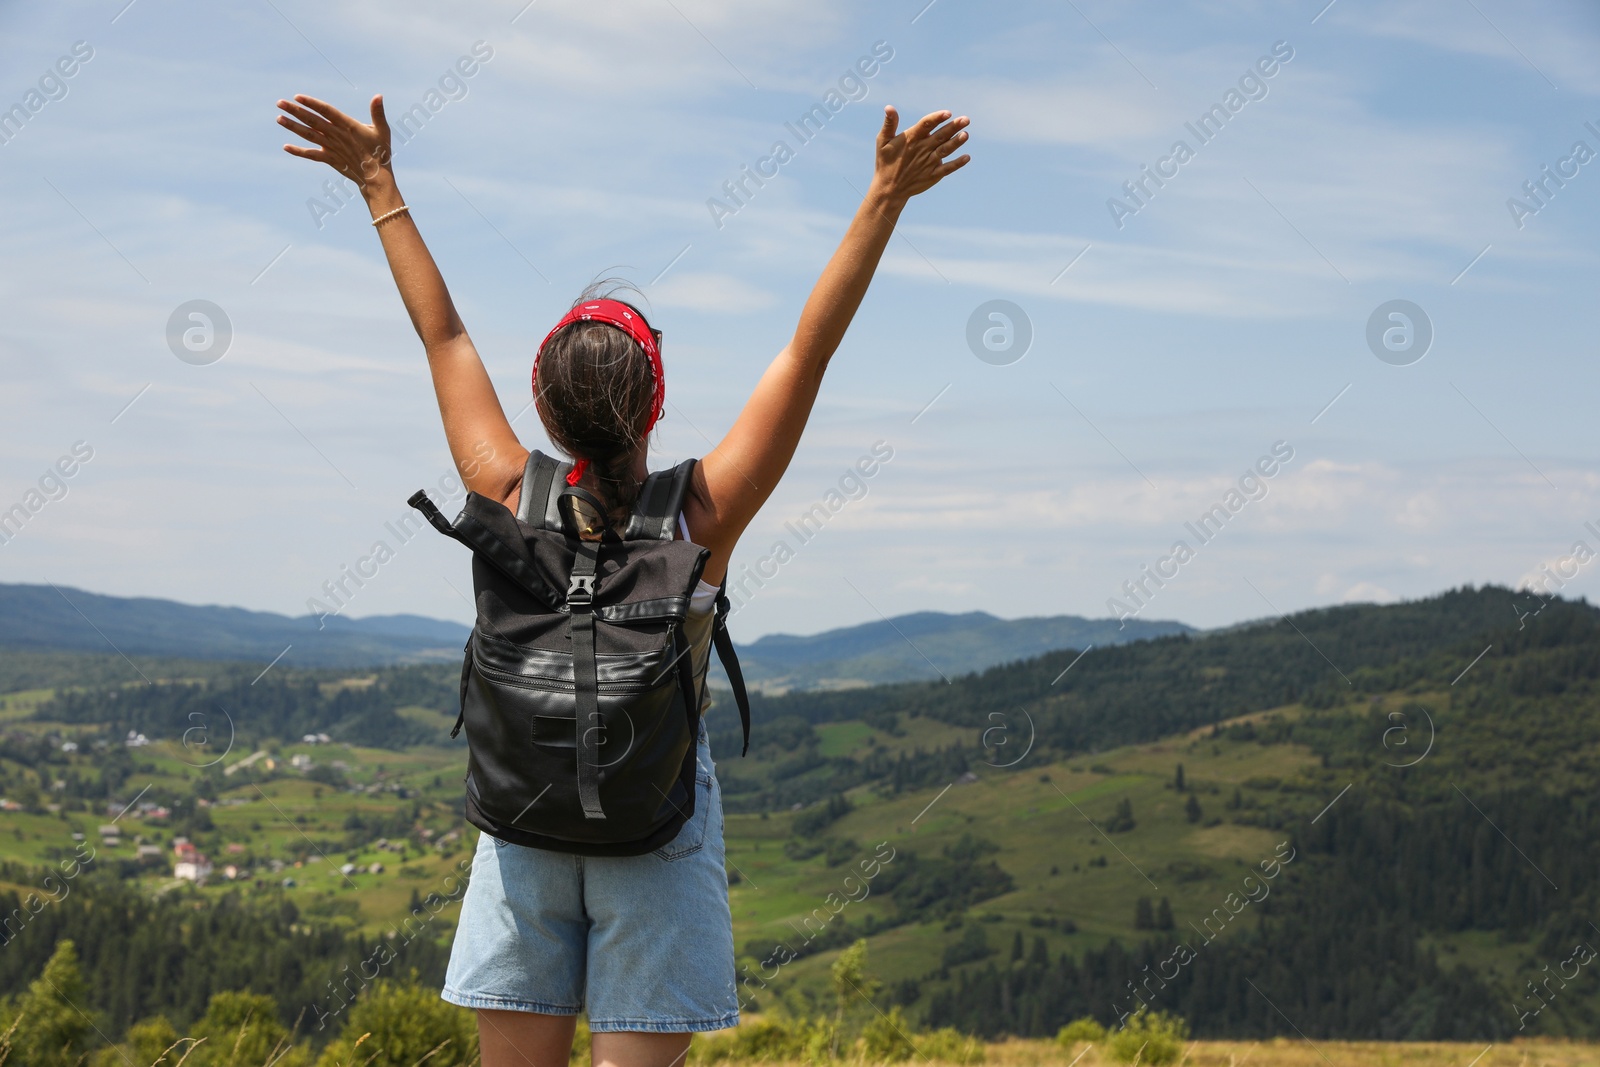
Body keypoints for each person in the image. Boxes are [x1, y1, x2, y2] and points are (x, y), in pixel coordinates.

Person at [275, 88, 970, 1067]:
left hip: (520, 832)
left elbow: (444, 339)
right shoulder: (701, 516)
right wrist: (884, 197)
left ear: (541, 405)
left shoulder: (505, 487)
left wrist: (377, 181)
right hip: (656, 830)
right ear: (657, 402)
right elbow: (805, 352)